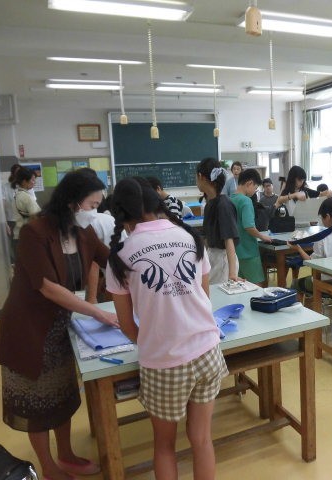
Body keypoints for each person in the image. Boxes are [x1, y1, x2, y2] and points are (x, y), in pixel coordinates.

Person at [0, 170, 120, 480]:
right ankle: (48, 466)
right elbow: (47, 287)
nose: (95, 212)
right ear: (72, 202)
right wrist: (97, 313)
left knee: (62, 396)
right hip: (28, 329)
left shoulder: (82, 233)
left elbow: (111, 262)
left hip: (60, 325)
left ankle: (66, 455)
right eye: (92, 205)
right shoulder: (35, 233)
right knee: (36, 404)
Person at [106, 178, 228, 480]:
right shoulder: (190, 237)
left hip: (165, 363)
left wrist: (153, 343)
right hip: (208, 352)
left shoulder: (121, 256)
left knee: (164, 446)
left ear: (121, 215)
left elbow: (126, 324)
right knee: (202, 439)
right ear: (157, 204)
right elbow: (204, 299)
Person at [288, 197, 332, 296]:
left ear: (328, 217)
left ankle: (311, 306)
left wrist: (298, 249)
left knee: (295, 284)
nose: (322, 220)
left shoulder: (322, 238)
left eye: (322, 217)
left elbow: (312, 263)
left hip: (328, 282)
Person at [196, 157, 240, 284]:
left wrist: (232, 274)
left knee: (218, 293)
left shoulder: (223, 204)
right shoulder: (210, 204)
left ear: (201, 177)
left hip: (223, 259)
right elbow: (206, 237)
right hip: (213, 256)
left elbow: (229, 240)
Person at [230, 169, 272, 285]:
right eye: (255, 188)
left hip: (234, 252)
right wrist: (262, 237)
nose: (255, 191)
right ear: (249, 183)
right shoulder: (246, 201)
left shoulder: (230, 199)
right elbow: (249, 226)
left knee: (239, 287)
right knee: (257, 286)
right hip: (249, 251)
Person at [11, 166, 41, 256]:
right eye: (32, 180)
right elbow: (35, 217)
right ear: (24, 181)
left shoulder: (17, 195)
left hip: (18, 235)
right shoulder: (26, 197)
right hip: (27, 237)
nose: (34, 182)